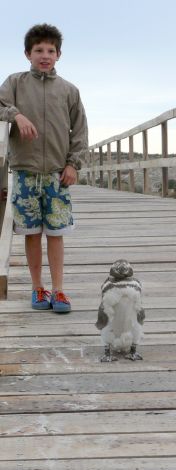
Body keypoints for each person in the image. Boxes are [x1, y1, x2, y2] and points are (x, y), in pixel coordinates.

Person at [0, 23, 88, 313]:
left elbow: (80, 132)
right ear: (28, 53)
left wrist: (73, 163)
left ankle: (59, 290)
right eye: (38, 50)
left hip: (56, 174)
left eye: (51, 50)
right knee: (31, 233)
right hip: (25, 172)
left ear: (59, 55)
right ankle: (38, 287)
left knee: (56, 233)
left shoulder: (69, 91)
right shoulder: (14, 83)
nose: (44, 55)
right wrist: (17, 115)